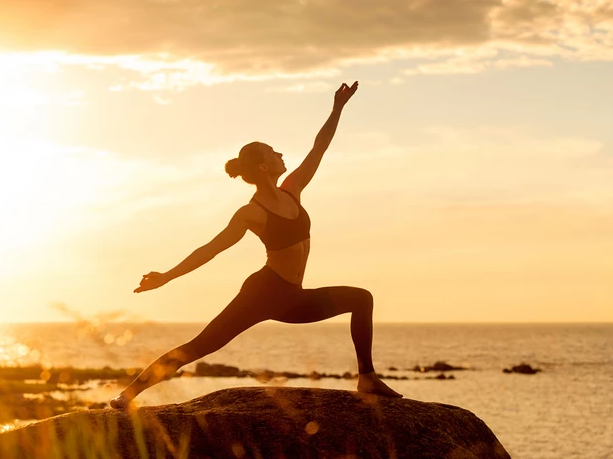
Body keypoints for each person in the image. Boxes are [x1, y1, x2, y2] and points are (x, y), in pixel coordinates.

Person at [110, 81, 402, 409]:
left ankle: (367, 377)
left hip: (294, 298)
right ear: (264, 166)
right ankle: (126, 396)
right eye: (273, 152)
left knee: (361, 299)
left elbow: (320, 146)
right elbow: (211, 248)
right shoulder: (252, 213)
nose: (280, 154)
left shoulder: (292, 189)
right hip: (263, 293)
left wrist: (338, 108)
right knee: (200, 346)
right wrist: (165, 276)